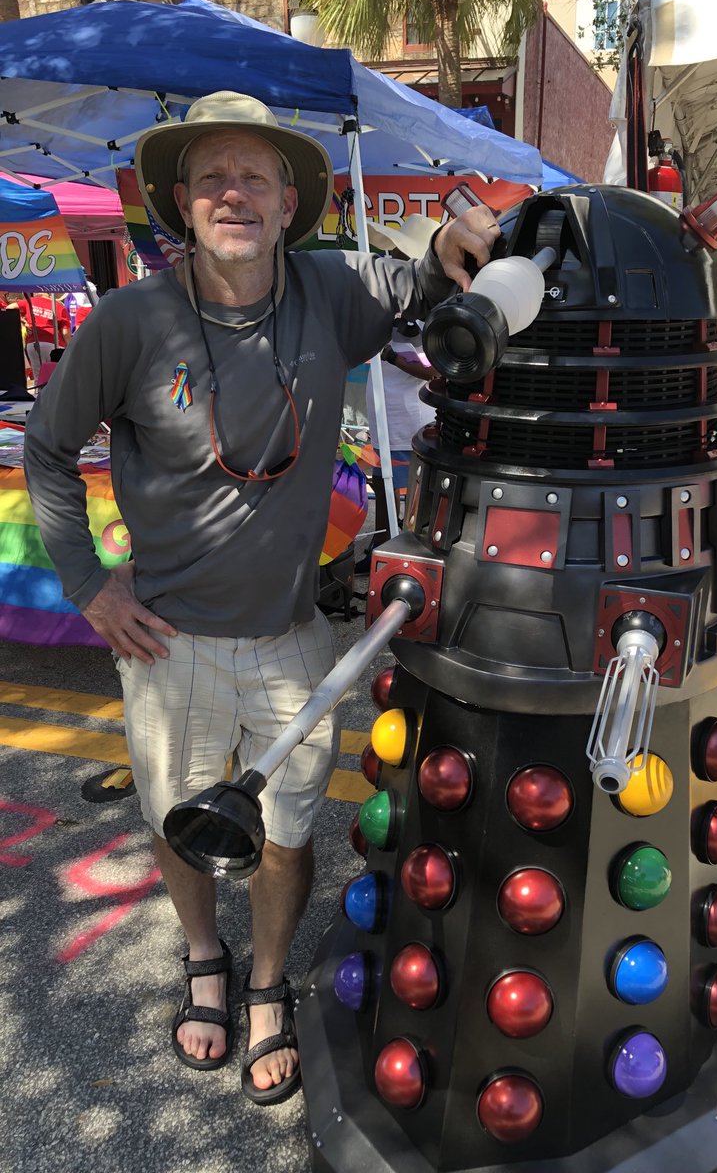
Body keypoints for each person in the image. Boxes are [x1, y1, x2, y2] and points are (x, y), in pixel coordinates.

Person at [23, 90, 500, 1103]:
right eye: (210, 179)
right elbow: (50, 452)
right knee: (179, 817)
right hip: (168, 644)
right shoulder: (129, 320)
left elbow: (426, 278)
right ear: (181, 205)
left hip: (294, 639)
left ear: (290, 202)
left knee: (286, 832)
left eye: (253, 177)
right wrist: (90, 590)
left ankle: (271, 979)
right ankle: (205, 957)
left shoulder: (332, 294)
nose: (231, 193)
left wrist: (463, 238)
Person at [365, 318, 435, 538]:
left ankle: (415, 541)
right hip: (383, 413)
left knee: (419, 484)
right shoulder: (382, 317)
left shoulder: (429, 323)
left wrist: (392, 357)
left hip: (411, 420)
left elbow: (433, 372)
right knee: (382, 481)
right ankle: (383, 542)